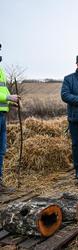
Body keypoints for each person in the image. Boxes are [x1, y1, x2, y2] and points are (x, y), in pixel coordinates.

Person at [0, 43, 20, 191]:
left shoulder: (0, 69)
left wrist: (11, 102)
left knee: (1, 150)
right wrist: (9, 97)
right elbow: (5, 94)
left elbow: (3, 92)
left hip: (2, 115)